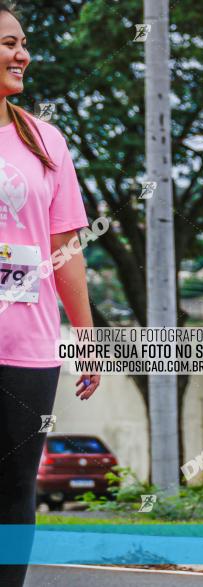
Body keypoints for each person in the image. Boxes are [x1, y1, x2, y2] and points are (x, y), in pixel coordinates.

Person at [0, 5, 100, 585]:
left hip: (30, 349)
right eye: (9, 43)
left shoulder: (46, 140)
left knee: (15, 493)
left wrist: (84, 336)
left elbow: (66, 248)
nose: (23, 55)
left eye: (24, 44)